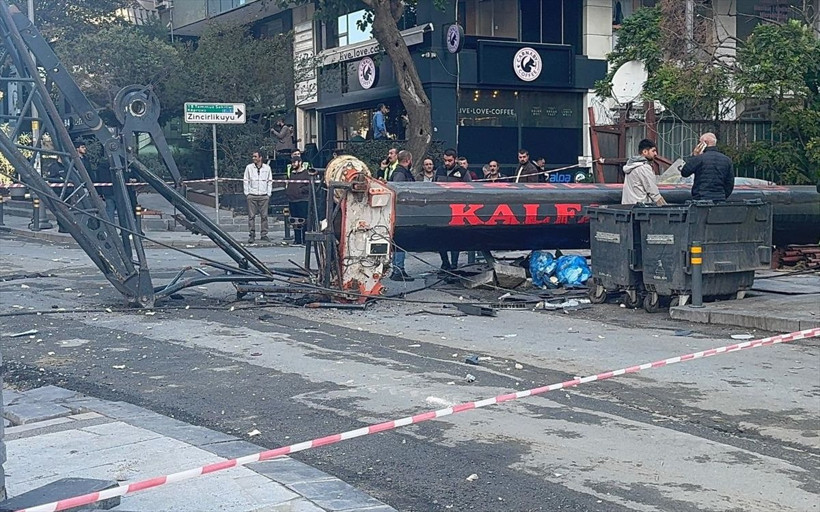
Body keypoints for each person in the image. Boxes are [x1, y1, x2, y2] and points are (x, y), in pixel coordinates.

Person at [436, 149, 470, 270]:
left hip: (457, 209)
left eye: (449, 160)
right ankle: (445, 263)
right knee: (440, 239)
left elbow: (470, 191)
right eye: (445, 160)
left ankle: (454, 264)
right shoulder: (439, 171)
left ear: (455, 160)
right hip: (441, 210)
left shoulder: (463, 173)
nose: (447, 163)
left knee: (455, 239)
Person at [680, 132, 734, 201]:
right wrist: (722, 195)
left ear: (705, 143)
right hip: (720, 199)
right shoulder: (727, 160)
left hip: (701, 198)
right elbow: (729, 183)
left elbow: (685, 172)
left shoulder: (699, 158)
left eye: (700, 142)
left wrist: (694, 156)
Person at [389, 150, 415, 281]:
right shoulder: (400, 173)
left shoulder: (400, 171)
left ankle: (398, 269)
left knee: (399, 241)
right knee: (400, 240)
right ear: (408, 159)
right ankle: (398, 270)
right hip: (401, 212)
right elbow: (399, 191)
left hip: (400, 211)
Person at [621, 139, 667, 206]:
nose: (656, 154)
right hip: (641, 208)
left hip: (628, 206)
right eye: (653, 151)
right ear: (645, 151)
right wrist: (664, 206)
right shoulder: (644, 167)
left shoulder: (631, 165)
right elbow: (652, 190)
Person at [243, 151, 273, 244]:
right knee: (251, 216)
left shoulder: (267, 168)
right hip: (252, 195)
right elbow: (246, 180)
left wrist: (268, 194)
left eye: (255, 156)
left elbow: (270, 181)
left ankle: (264, 234)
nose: (253, 158)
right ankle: (252, 234)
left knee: (264, 216)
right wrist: (247, 193)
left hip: (263, 195)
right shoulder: (249, 167)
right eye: (253, 156)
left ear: (260, 158)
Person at [285, 150, 311, 246]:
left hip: (302, 200)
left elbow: (310, 186)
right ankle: (297, 239)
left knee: (303, 221)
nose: (293, 164)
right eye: (292, 162)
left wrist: (301, 190)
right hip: (292, 200)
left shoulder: (306, 173)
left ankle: (305, 240)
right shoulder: (292, 173)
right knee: (294, 220)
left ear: (300, 163)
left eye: (295, 162)